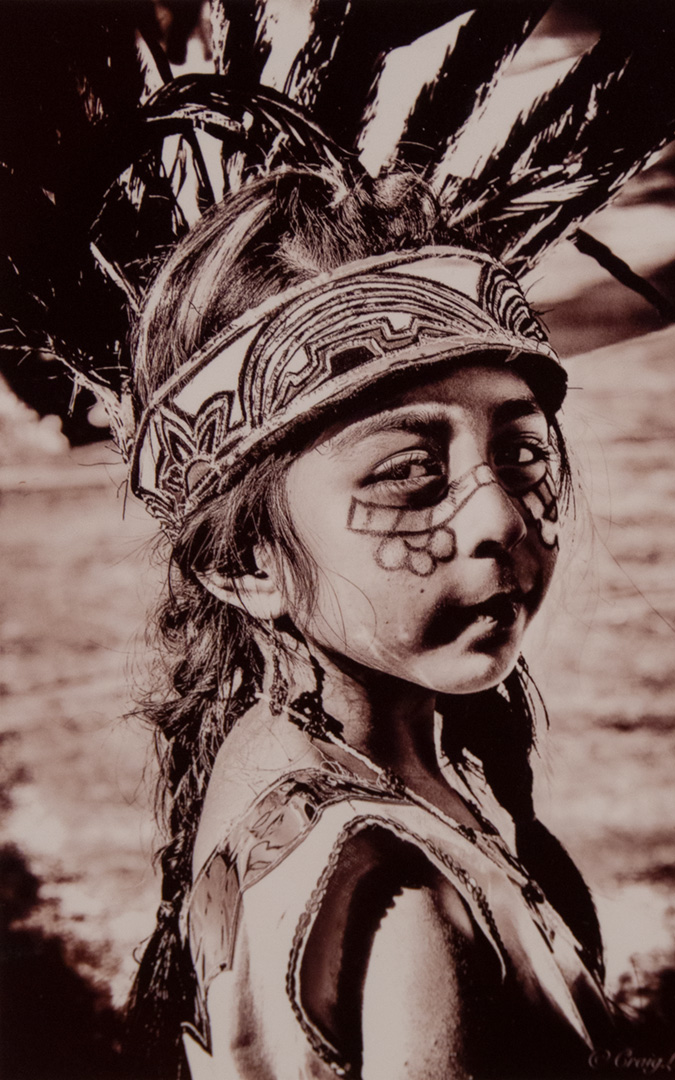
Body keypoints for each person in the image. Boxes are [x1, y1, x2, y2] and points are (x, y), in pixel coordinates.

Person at [125, 166, 616, 1080]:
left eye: (520, 451)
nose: (499, 517)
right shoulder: (406, 902)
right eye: (407, 473)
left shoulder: (281, 744)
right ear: (245, 564)